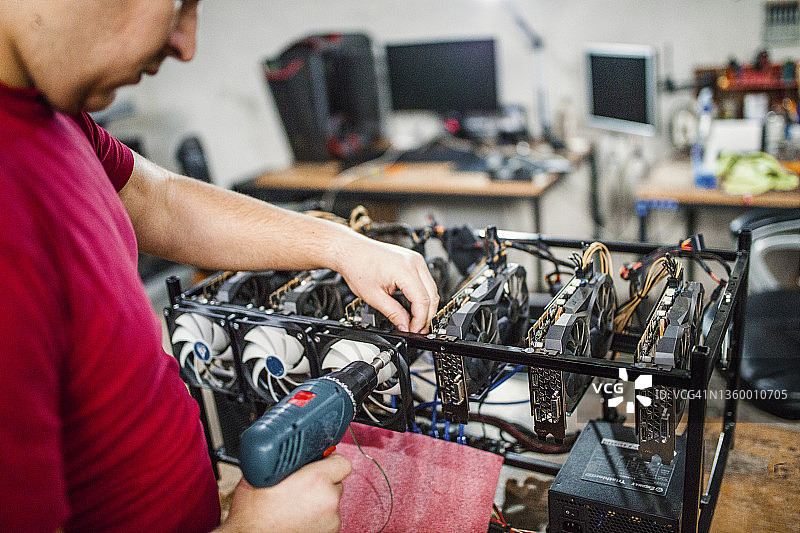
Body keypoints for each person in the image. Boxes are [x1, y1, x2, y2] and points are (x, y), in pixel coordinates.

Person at [0, 1, 439, 532]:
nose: (187, 45)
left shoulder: (52, 113)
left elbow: (158, 200)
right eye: (178, 4)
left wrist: (342, 244)